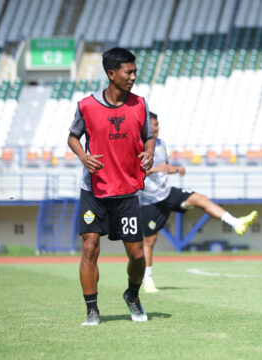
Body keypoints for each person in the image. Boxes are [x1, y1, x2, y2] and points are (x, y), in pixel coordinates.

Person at [68, 47, 155, 325]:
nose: (133, 76)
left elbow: (148, 137)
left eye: (134, 71)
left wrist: (149, 151)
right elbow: (72, 137)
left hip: (127, 190)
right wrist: (83, 156)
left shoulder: (140, 104)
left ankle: (132, 294)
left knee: (137, 254)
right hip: (94, 191)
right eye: (128, 72)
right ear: (111, 74)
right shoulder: (86, 105)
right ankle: (92, 309)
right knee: (90, 248)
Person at [139, 112, 258, 292]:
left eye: (158, 124)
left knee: (201, 199)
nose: (158, 128)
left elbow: (166, 167)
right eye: (155, 125)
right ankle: (147, 279)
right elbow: (133, 174)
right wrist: (155, 169)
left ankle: (236, 222)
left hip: (167, 193)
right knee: (150, 240)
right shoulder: (138, 146)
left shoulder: (161, 144)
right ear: (147, 126)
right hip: (149, 201)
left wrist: (175, 169)